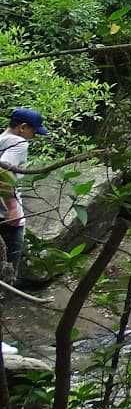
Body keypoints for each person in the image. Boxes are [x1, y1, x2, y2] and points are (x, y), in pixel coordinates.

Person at [0, 108, 46, 283]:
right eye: (33, 131)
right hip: (8, 219)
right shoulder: (18, 143)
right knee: (7, 274)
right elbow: (4, 169)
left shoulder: (1, 140)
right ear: (23, 127)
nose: (33, 137)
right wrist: (12, 207)